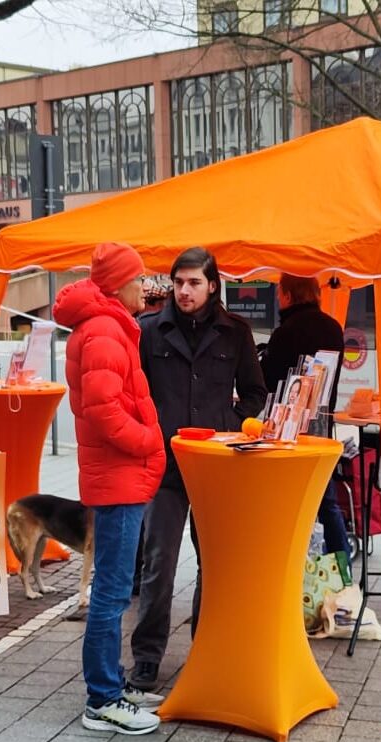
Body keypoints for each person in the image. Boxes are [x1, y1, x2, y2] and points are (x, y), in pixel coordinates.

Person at [133, 247, 266, 695]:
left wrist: (228, 424)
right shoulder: (149, 331)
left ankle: (205, 649)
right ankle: (147, 657)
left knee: (213, 563)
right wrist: (150, 432)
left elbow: (255, 392)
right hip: (166, 465)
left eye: (193, 283)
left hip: (215, 466)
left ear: (212, 285)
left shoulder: (235, 332)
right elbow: (135, 394)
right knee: (159, 563)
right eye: (178, 282)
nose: (184, 291)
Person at [59, 241, 165, 735]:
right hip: (118, 475)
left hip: (118, 474)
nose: (146, 286)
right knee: (112, 591)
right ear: (120, 283)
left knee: (114, 587)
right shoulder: (104, 328)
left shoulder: (107, 324)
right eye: (139, 278)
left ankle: (111, 686)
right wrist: (148, 441)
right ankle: (103, 699)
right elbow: (104, 410)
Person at [261, 273, 351, 556]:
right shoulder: (333, 328)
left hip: (287, 430)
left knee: (285, 499)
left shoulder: (285, 332)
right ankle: (341, 562)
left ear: (288, 295)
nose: (278, 298)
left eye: (279, 293)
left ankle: (287, 557)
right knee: (325, 499)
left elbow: (268, 380)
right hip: (322, 425)